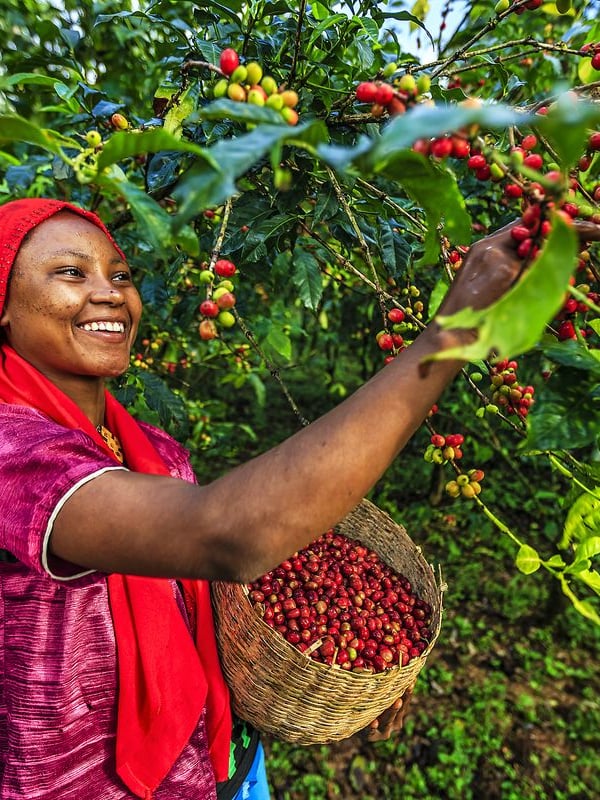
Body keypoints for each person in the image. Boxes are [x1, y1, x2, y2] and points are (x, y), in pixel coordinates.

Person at [0, 197, 597, 800]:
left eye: (121, 275)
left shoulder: (151, 448)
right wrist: (450, 334)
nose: (110, 293)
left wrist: (360, 668)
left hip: (219, 760)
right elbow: (223, 535)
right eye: (72, 273)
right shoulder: (12, 453)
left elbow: (197, 596)